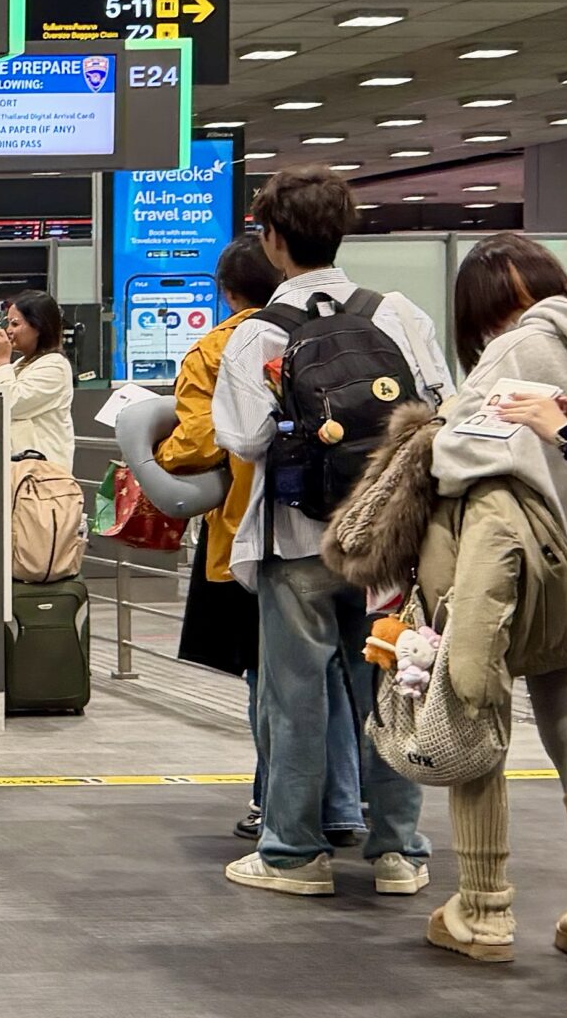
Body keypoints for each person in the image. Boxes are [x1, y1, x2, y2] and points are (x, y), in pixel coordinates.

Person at [214, 164, 449, 897]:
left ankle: (294, 854)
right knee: (393, 687)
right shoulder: (399, 314)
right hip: (388, 542)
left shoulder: (256, 335)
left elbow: (244, 438)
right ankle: (399, 852)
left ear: (272, 239)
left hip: (295, 538)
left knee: (294, 698)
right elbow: (441, 410)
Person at [388, 231, 567, 961]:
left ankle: (484, 912)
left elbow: (460, 456)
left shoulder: (512, 349)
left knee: (472, 711)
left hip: (516, 575)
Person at [156, 237, 366, 846]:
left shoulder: (222, 346)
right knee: (342, 671)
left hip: (258, 530)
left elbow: (203, 441)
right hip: (353, 522)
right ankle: (347, 805)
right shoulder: (348, 324)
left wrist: (156, 446)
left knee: (272, 676)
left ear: (226, 292)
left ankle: (275, 805)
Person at [0, 288, 73, 467]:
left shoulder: (54, 366)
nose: (8, 330)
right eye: (8, 323)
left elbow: (9, 404)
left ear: (38, 327)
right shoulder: (20, 364)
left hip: (42, 473)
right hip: (17, 468)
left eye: (15, 324)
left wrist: (1, 361)